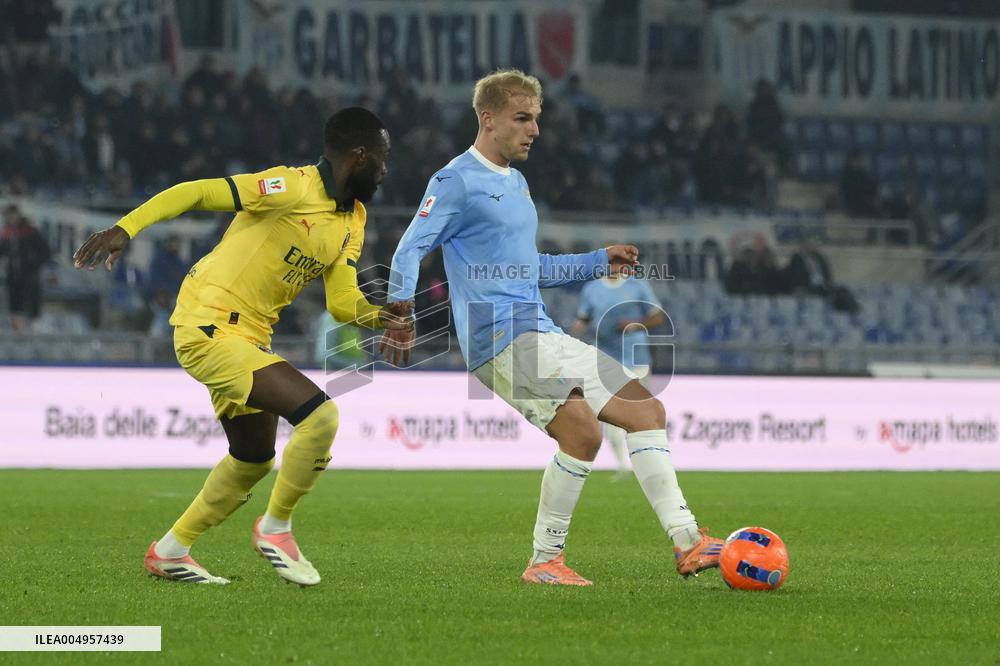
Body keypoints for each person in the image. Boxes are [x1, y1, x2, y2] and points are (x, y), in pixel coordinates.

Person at [383, 70, 722, 586]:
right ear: (488, 118)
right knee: (583, 434)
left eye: (537, 119)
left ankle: (689, 542)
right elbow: (409, 248)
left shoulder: (515, 183)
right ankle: (545, 561)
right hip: (499, 338)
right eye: (523, 118)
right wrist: (400, 313)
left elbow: (531, 268)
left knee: (646, 409)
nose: (534, 130)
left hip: (539, 330)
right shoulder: (455, 180)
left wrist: (597, 260)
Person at [72, 107, 414, 586]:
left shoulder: (352, 218)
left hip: (249, 337)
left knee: (254, 456)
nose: (385, 170)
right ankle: (276, 529)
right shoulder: (290, 186)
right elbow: (196, 191)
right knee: (321, 416)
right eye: (383, 159)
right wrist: (126, 228)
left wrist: (380, 316)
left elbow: (341, 303)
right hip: (209, 324)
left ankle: (170, 551)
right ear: (359, 157)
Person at [571, 273, 665, 479]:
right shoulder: (592, 288)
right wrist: (579, 326)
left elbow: (657, 316)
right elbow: (584, 317)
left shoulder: (637, 286)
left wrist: (636, 324)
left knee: (641, 412)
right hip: (605, 357)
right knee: (611, 413)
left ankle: (649, 462)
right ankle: (624, 466)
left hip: (635, 356)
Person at [0, 204, 51, 332]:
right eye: (8, 215)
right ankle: (17, 328)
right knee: (14, 301)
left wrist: (34, 264)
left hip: (30, 273)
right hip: (12, 273)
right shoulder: (6, 233)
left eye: (13, 214)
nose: (11, 218)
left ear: (18, 215)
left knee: (32, 298)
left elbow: (45, 251)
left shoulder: (30, 231)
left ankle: (34, 325)